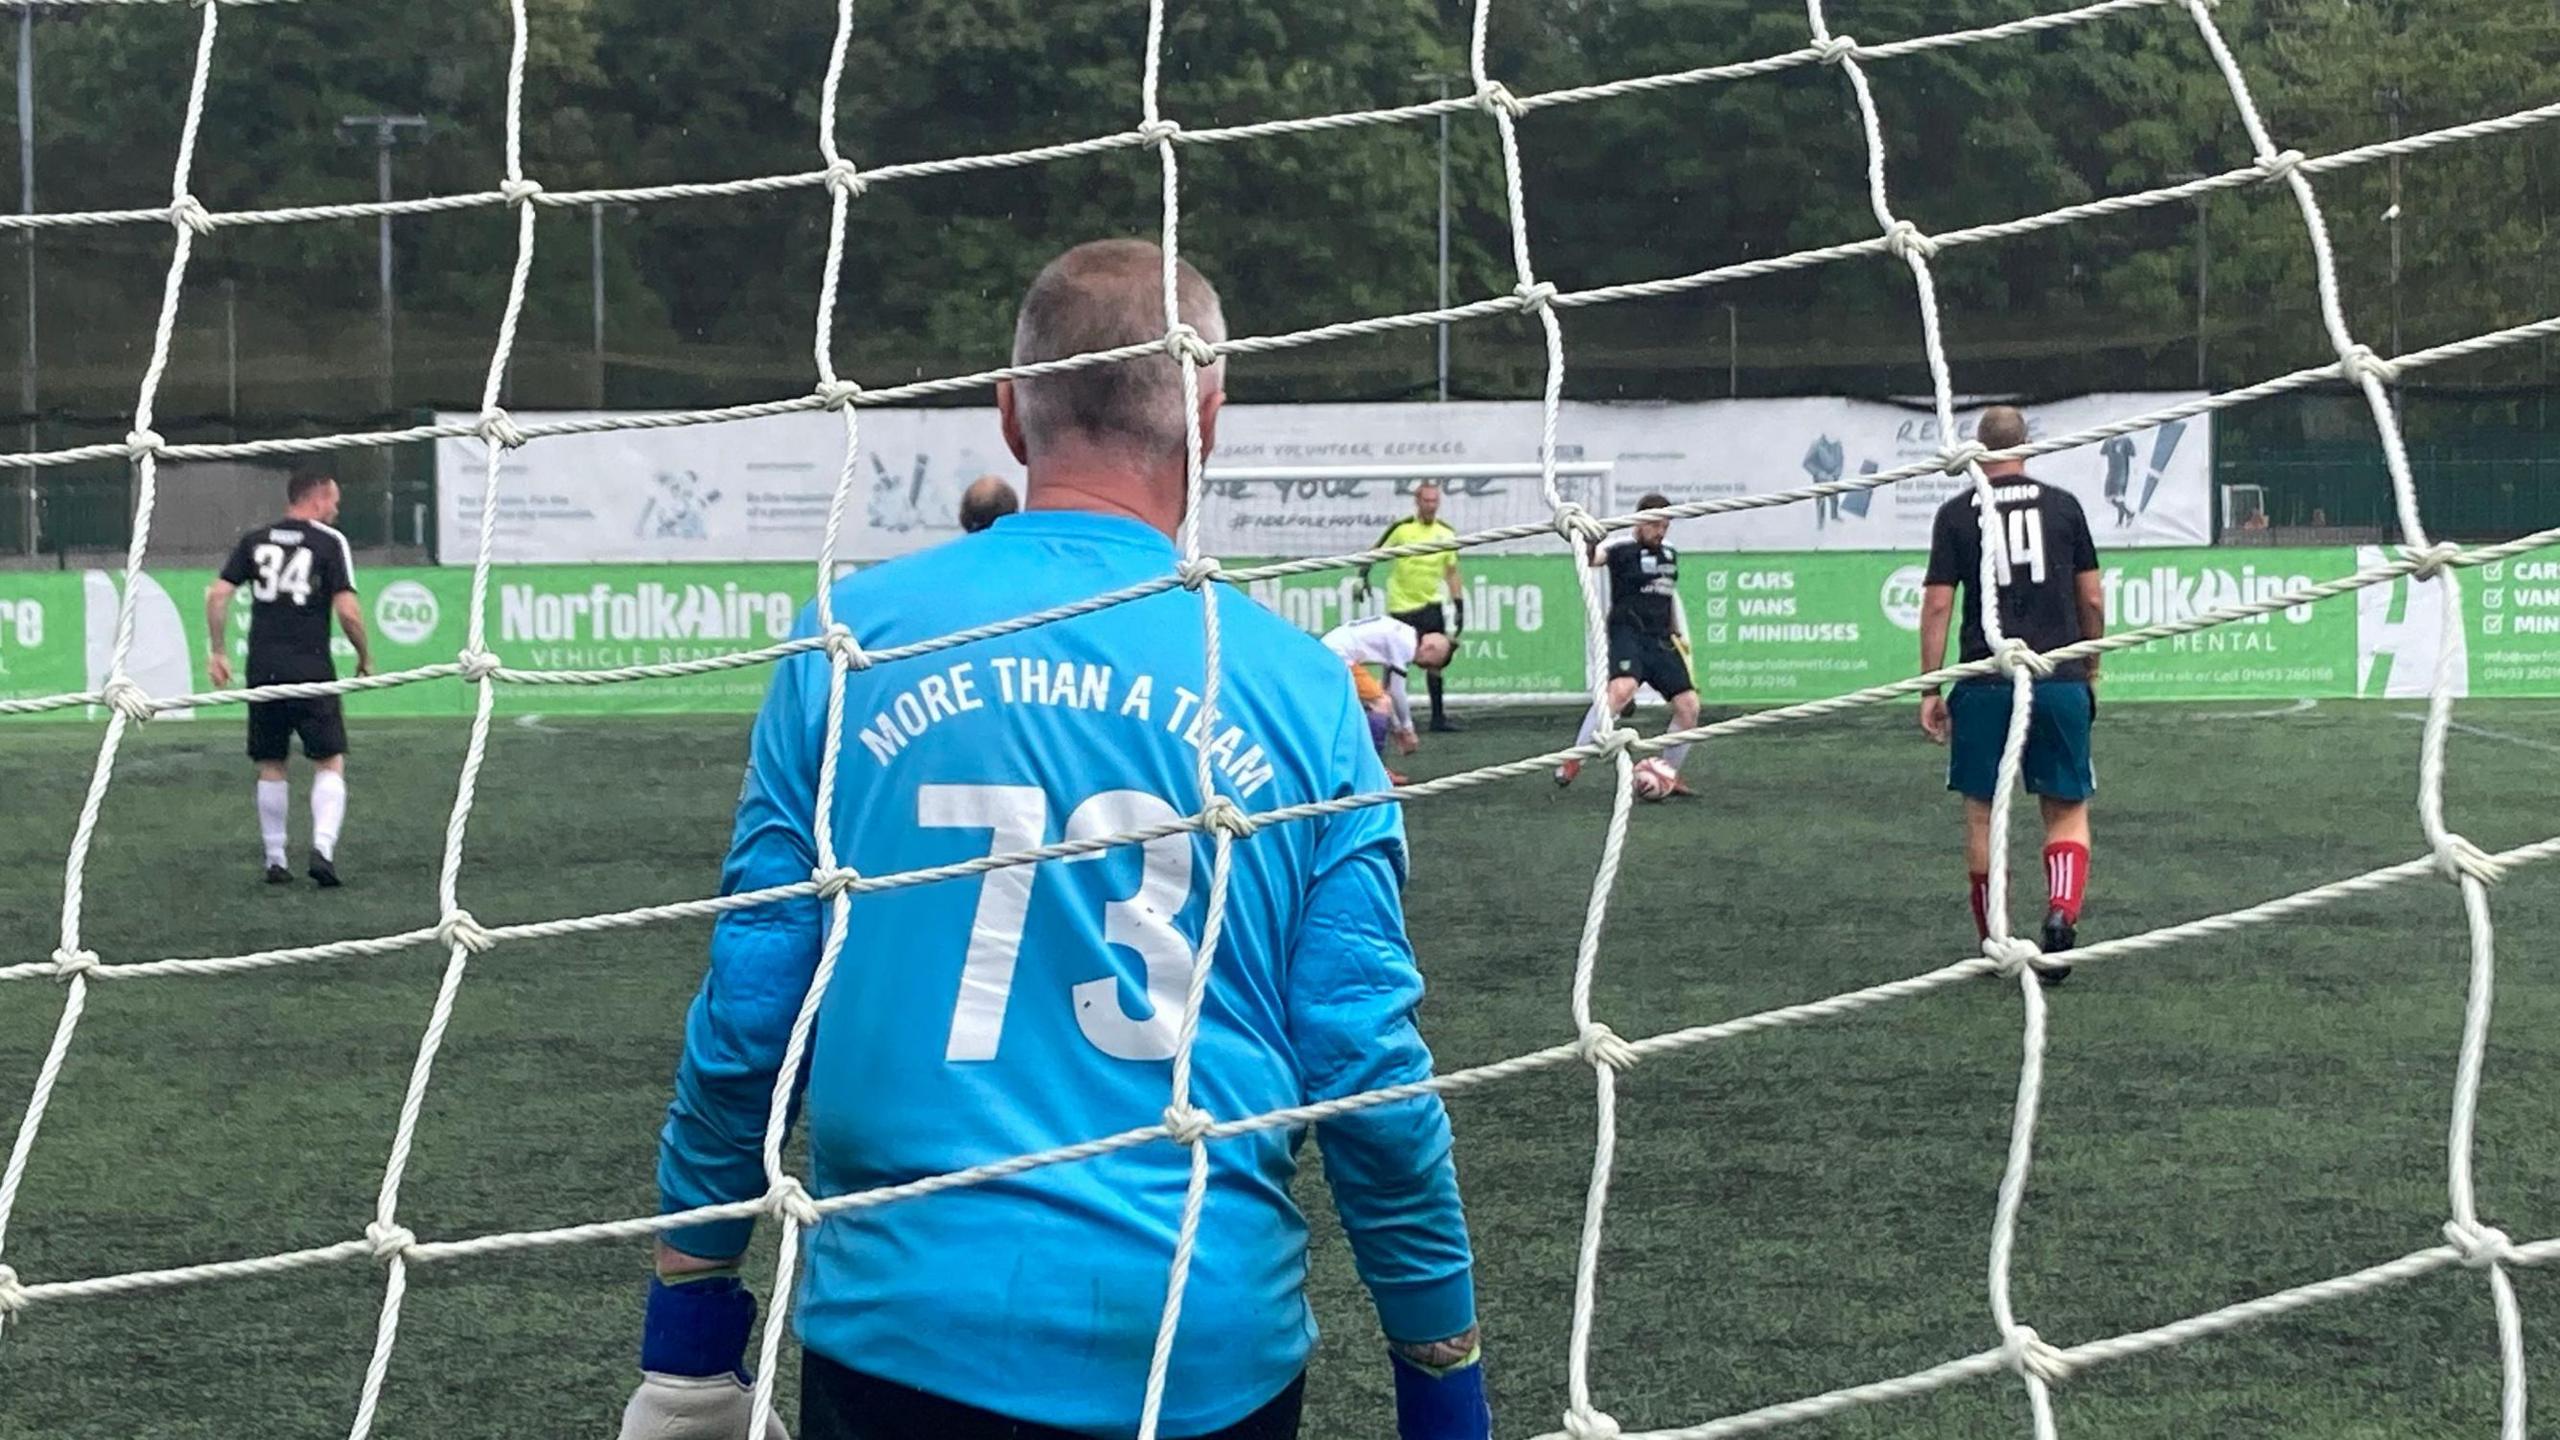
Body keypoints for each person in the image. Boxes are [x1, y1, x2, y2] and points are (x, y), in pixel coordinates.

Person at [621, 239, 1488, 1440]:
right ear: (1210, 421)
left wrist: (691, 1346)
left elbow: (754, 1011)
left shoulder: (849, 644)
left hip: (903, 1340)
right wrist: (1442, 1392)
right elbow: (1367, 1076)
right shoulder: (1299, 693)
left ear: (1009, 416)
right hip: (1198, 1349)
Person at [1916, 405, 2104, 986]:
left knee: (1982, 813)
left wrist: (1931, 684)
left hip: (1985, 678)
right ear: (2028, 445)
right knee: (2066, 808)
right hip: (2056, 675)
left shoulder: (1955, 513)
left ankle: (1993, 935)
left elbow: (1939, 604)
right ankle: (2061, 915)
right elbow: (2092, 599)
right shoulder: (2064, 506)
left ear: (1978, 447)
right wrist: (2089, 664)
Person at [205, 467, 372, 888]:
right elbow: (348, 611)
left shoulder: (254, 540)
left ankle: (275, 858)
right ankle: (322, 849)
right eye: (333, 500)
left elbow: (217, 594)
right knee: (329, 760)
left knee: (270, 763)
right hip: (312, 667)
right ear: (316, 499)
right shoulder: (329, 542)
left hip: (263, 669)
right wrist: (365, 655)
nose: (336, 509)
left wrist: (219, 651)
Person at [1555, 493, 1697, 795]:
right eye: (1656, 525)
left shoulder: (1670, 552)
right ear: (1639, 522)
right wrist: (1591, 538)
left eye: (1666, 525)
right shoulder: (1619, 547)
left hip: (1661, 640)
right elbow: (1590, 559)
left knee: (1689, 708)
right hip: (1627, 633)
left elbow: (1667, 595)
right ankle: (1573, 759)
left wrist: (1677, 633)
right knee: (1620, 691)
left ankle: (1667, 773)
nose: (1661, 531)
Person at [1358, 483, 1464, 731]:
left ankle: (1438, 718)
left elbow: (1451, 572)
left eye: (1435, 501)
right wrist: (1362, 577)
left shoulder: (1446, 533)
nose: (1431, 505)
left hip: (1431, 604)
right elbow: (1375, 552)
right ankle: (1387, 718)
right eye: (1426, 500)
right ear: (1417, 502)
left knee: (1436, 662)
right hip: (1403, 606)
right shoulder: (1402, 529)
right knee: (1392, 665)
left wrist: (1459, 603)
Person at [1320, 611, 1455, 785]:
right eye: (1430, 664)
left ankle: (1373, 770)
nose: (1424, 668)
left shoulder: (1402, 633)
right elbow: (1397, 693)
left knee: (1378, 703)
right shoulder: (1406, 643)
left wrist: (1398, 728)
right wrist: (1408, 729)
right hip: (1338, 657)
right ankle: (1370, 774)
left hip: (1334, 653)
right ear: (1429, 649)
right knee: (1380, 704)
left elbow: (1389, 691)